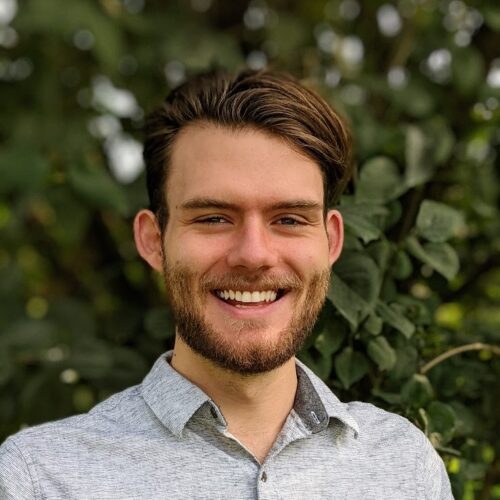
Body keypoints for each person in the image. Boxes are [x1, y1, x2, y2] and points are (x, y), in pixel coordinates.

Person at [0, 69, 453, 499]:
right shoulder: (38, 480)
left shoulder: (405, 467)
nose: (254, 254)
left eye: (289, 219)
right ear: (154, 241)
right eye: (214, 218)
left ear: (332, 241)